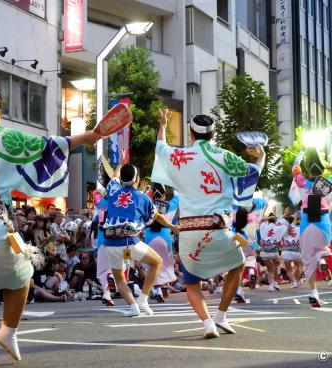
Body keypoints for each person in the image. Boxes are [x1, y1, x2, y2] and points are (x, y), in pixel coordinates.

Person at [0, 71, 131, 368]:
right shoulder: (1, 135)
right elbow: (51, 145)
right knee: (23, 273)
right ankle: (8, 331)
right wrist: (93, 136)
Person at [151, 110, 265, 338]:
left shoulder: (178, 157)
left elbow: (160, 148)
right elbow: (250, 173)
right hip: (218, 228)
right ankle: (221, 314)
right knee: (238, 264)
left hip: (189, 231)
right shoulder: (224, 156)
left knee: (192, 283)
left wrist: (163, 124)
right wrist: (261, 156)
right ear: (213, 134)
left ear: (190, 134)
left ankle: (208, 324)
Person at [103, 161, 180, 317]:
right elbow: (157, 216)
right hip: (130, 242)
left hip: (110, 242)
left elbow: (115, 177)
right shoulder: (142, 197)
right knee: (157, 262)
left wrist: (120, 165)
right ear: (137, 180)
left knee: (119, 279)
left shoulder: (113, 191)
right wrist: (173, 227)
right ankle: (143, 298)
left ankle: (133, 306)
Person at [292, 148, 332, 306]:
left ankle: (313, 293)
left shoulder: (301, 182)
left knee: (308, 259)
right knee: (325, 250)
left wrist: (300, 155)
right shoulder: (328, 182)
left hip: (306, 222)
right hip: (323, 222)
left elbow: (295, 168)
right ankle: (322, 259)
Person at [145, 183, 179, 302]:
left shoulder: (148, 205)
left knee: (152, 264)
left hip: (149, 237)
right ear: (164, 195)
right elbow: (177, 197)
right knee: (166, 263)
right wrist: (174, 188)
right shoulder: (171, 205)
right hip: (165, 237)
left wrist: (148, 190)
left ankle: (157, 289)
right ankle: (163, 285)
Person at [258, 215, 287, 291]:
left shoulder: (263, 226)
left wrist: (267, 218)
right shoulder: (278, 228)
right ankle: (276, 284)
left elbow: (260, 220)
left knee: (269, 269)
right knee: (276, 267)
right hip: (274, 251)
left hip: (264, 252)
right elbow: (286, 224)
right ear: (275, 221)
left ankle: (271, 285)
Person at [281, 215, 302, 288]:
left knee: (288, 269)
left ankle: (294, 282)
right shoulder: (299, 229)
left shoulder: (283, 229)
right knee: (298, 266)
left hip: (286, 251)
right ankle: (298, 280)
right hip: (297, 251)